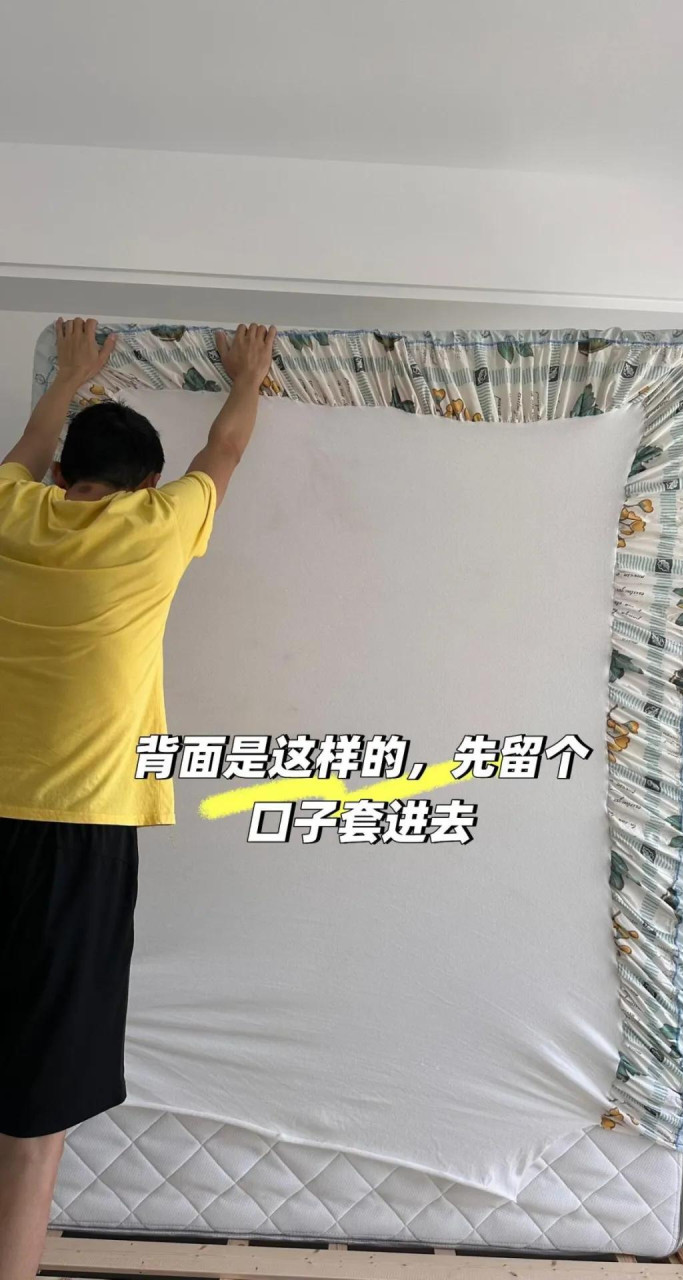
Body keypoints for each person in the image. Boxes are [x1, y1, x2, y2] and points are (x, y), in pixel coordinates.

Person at [0, 316, 276, 1280]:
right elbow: (224, 450)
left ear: (62, 475)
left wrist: (69, 377)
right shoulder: (157, 531)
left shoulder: (8, 508)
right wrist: (247, 377)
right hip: (79, 831)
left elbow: (29, 446)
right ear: (146, 485)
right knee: (36, 1111)